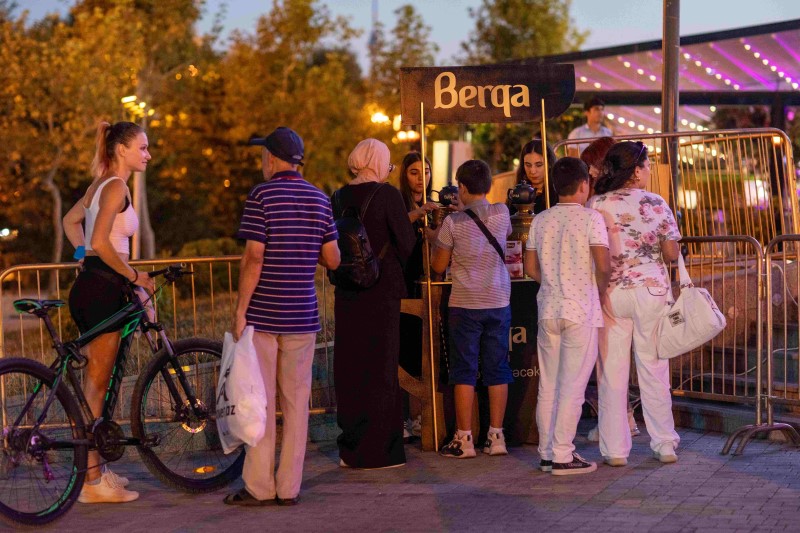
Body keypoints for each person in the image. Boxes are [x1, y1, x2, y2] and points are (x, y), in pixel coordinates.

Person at [225, 126, 340, 506]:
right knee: (296, 405)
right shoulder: (320, 199)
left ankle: (259, 487)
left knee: (260, 400)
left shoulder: (262, 195)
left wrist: (240, 310)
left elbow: (254, 256)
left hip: (264, 315)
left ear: (272, 159)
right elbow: (333, 259)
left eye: (264, 156)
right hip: (303, 316)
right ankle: (289, 488)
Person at [64, 121, 155, 503]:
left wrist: (81, 255)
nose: (148, 154)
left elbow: (71, 222)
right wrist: (134, 275)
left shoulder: (99, 185)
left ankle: (95, 471)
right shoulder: (116, 186)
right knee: (96, 386)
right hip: (103, 289)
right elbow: (102, 241)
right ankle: (91, 481)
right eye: (143, 147)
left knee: (95, 384)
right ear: (122, 149)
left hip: (95, 284)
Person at [587, 141, 682, 467]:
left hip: (611, 292)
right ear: (637, 170)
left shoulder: (597, 203)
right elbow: (671, 253)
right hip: (651, 291)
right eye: (648, 165)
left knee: (612, 372)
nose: (650, 170)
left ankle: (615, 449)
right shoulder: (656, 202)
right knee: (653, 369)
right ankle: (664, 443)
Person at [333, 139, 416, 469]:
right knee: (382, 369)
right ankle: (382, 451)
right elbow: (406, 243)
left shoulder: (338, 196)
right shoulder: (388, 195)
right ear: (379, 162)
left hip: (346, 294)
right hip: (382, 294)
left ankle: (351, 449)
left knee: (351, 368)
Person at [524, 157, 610, 476]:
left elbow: (530, 267)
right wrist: (597, 290)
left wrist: (551, 282)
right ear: (584, 184)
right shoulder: (591, 219)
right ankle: (563, 453)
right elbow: (603, 265)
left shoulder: (540, 219)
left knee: (548, 385)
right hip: (580, 310)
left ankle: (547, 453)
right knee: (573, 386)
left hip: (548, 308)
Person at [431, 160, 513, 459]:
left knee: (464, 371)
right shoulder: (502, 213)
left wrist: (435, 236)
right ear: (489, 186)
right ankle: (496, 437)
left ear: (462, 188)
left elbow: (438, 265)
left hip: (465, 304)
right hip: (498, 300)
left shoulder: (452, 223)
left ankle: (464, 439)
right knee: (498, 367)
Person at [398, 152, 437, 441]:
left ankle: (421, 414)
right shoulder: (399, 203)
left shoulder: (434, 204)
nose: (421, 178)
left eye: (425, 171)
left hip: (428, 280)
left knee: (424, 351)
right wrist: (419, 213)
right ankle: (403, 416)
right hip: (403, 281)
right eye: (414, 172)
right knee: (404, 351)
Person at [511, 139, 558, 214]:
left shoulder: (558, 194)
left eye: (539, 165)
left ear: (549, 164)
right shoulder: (518, 193)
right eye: (528, 165)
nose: (532, 171)